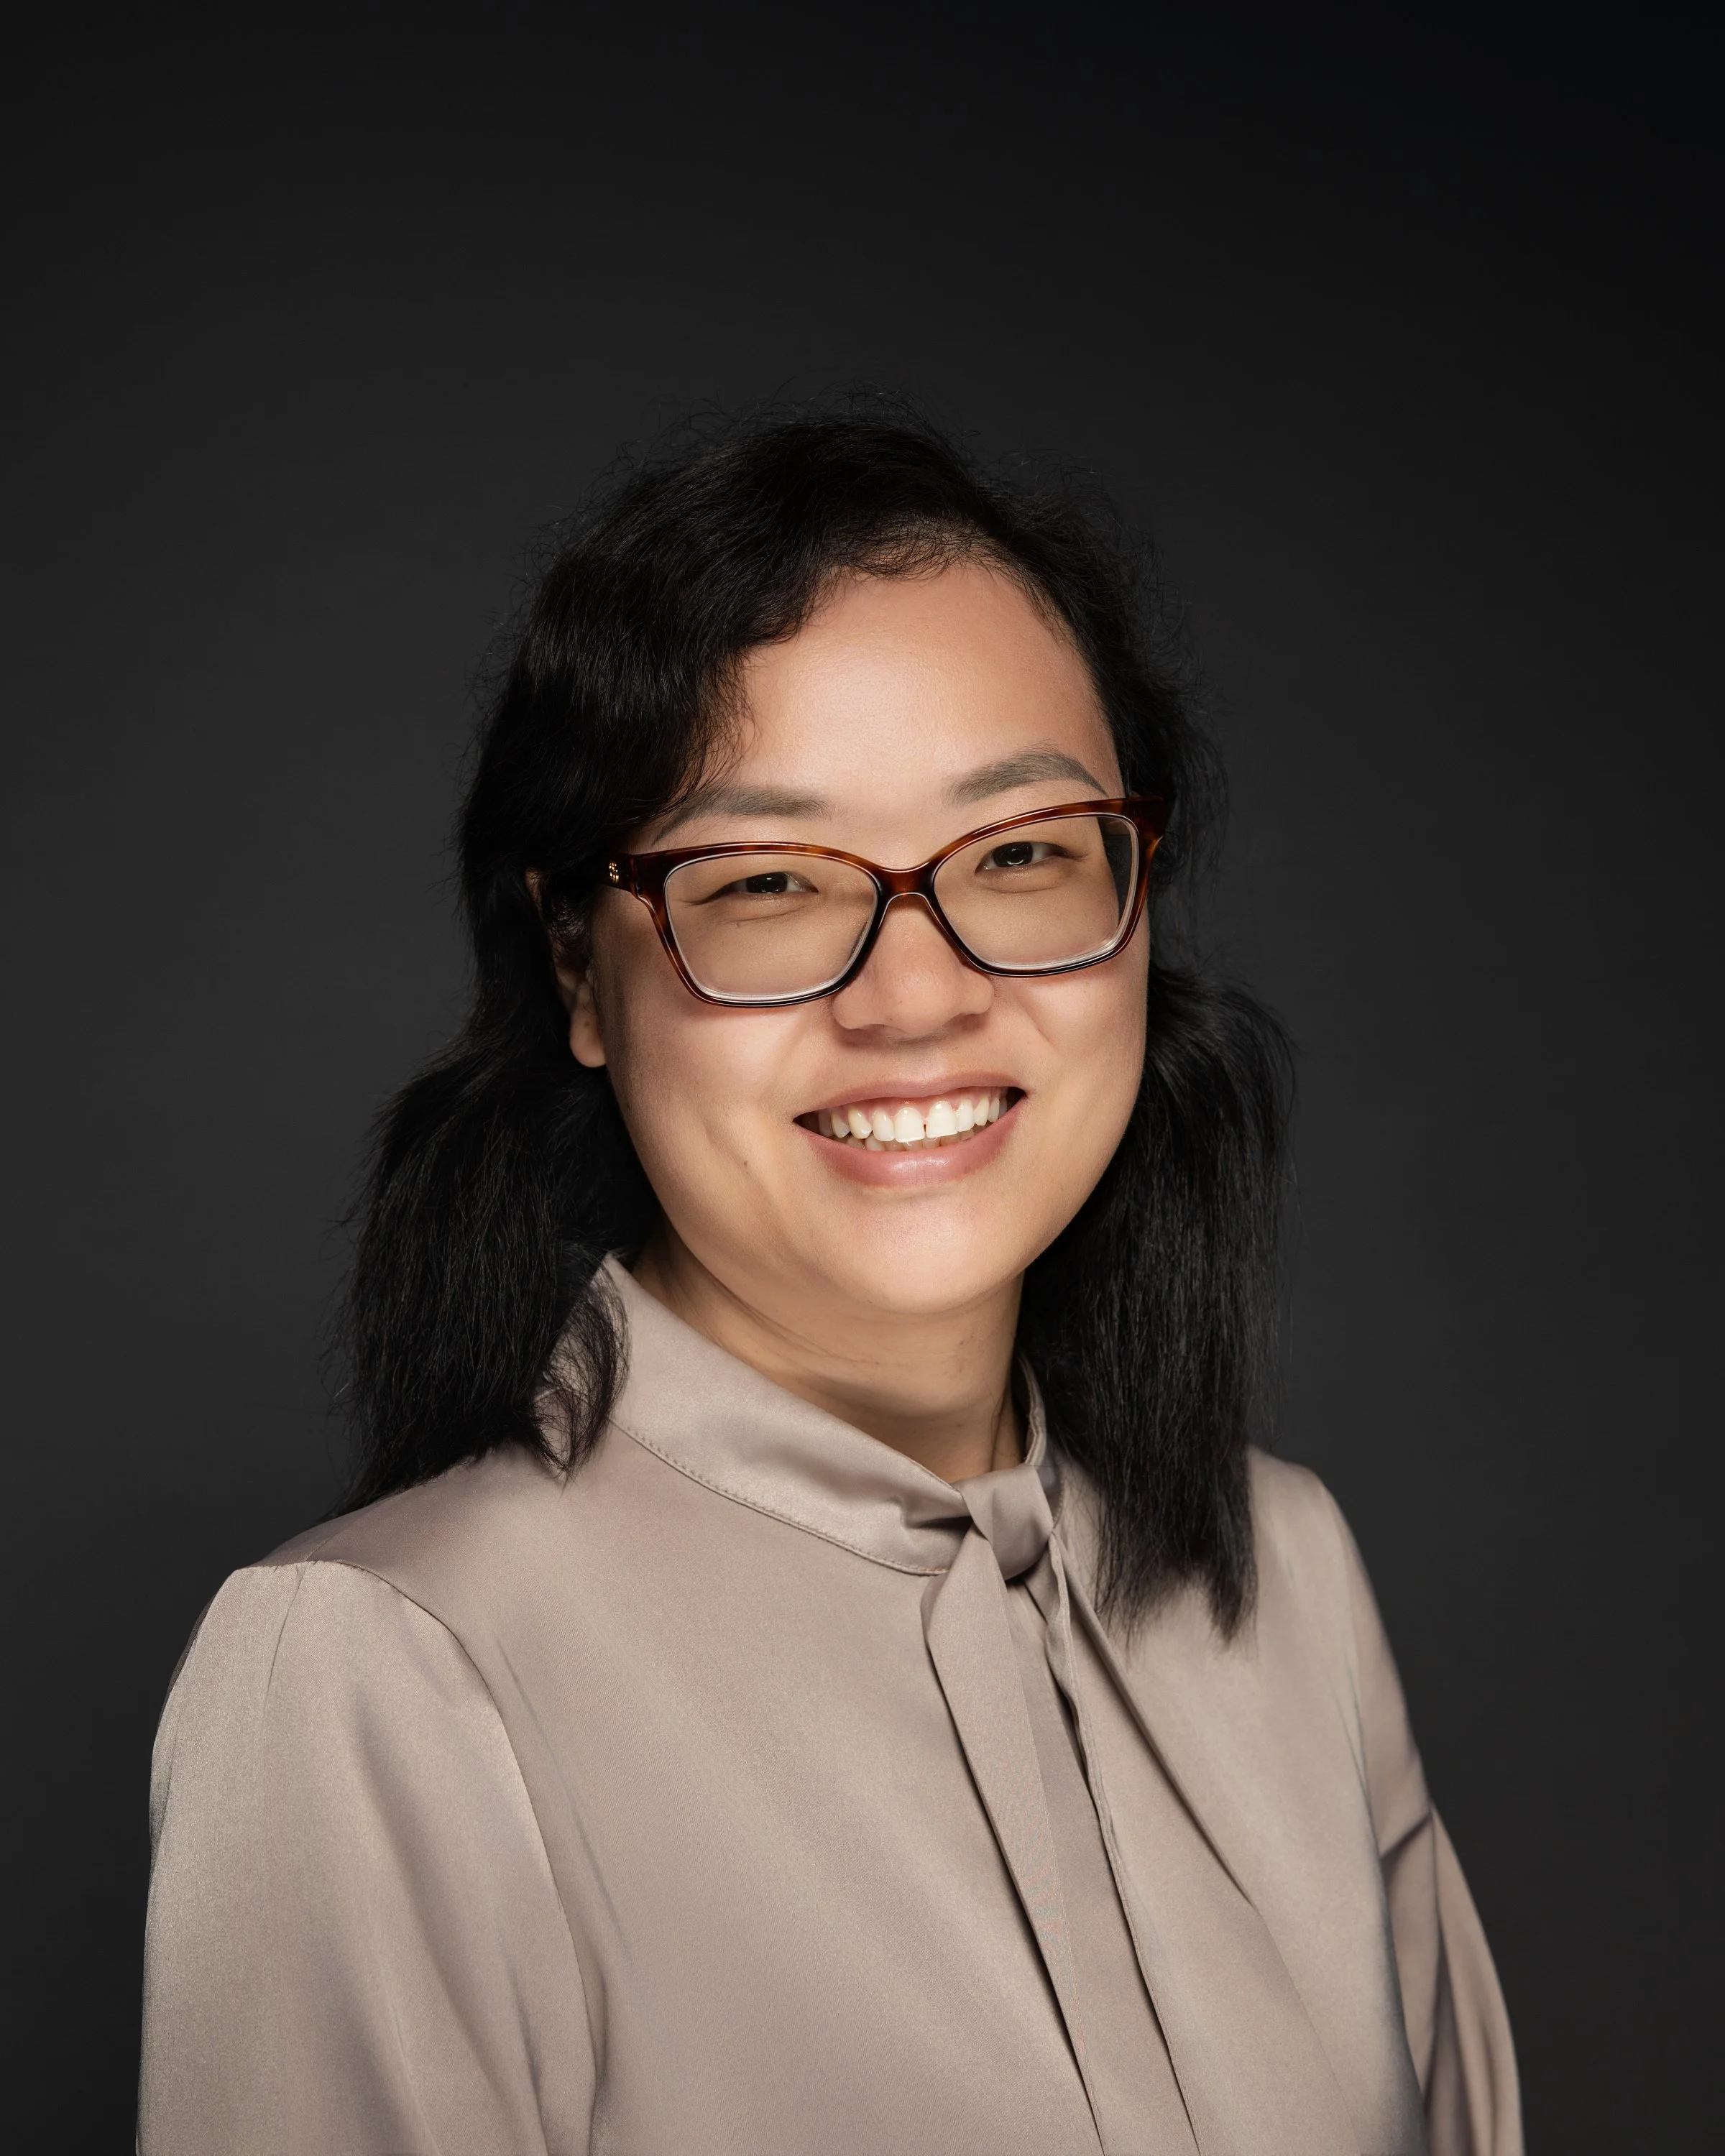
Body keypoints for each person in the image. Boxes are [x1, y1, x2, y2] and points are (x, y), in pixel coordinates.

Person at [138, 409, 1522, 2155]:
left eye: (1021, 851)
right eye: (771, 882)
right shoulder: (386, 1680)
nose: (918, 997)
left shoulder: (1290, 1578)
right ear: (578, 969)